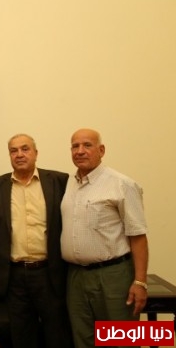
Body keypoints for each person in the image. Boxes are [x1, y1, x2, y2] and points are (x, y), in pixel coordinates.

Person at [61, 128, 149, 348]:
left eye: (87, 145)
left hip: (113, 276)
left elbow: (138, 236)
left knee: (123, 340)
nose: (80, 151)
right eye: (75, 146)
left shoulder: (121, 184)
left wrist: (140, 282)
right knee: (83, 339)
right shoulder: (69, 184)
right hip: (76, 277)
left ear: (101, 150)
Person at [0, 134, 73, 348]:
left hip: (50, 273)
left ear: (36, 153)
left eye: (25, 149)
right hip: (14, 275)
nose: (19, 154)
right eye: (14, 150)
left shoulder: (59, 181)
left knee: (57, 333)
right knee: (22, 335)